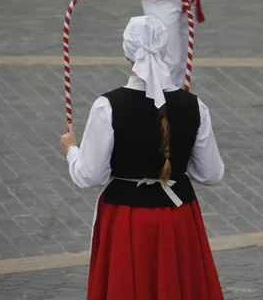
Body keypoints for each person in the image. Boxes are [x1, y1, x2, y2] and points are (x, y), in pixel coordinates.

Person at [60, 15, 225, 299]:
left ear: (127, 53)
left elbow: (90, 176)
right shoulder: (194, 105)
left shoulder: (107, 106)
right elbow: (211, 174)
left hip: (126, 217)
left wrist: (71, 149)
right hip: (179, 214)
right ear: (164, 49)